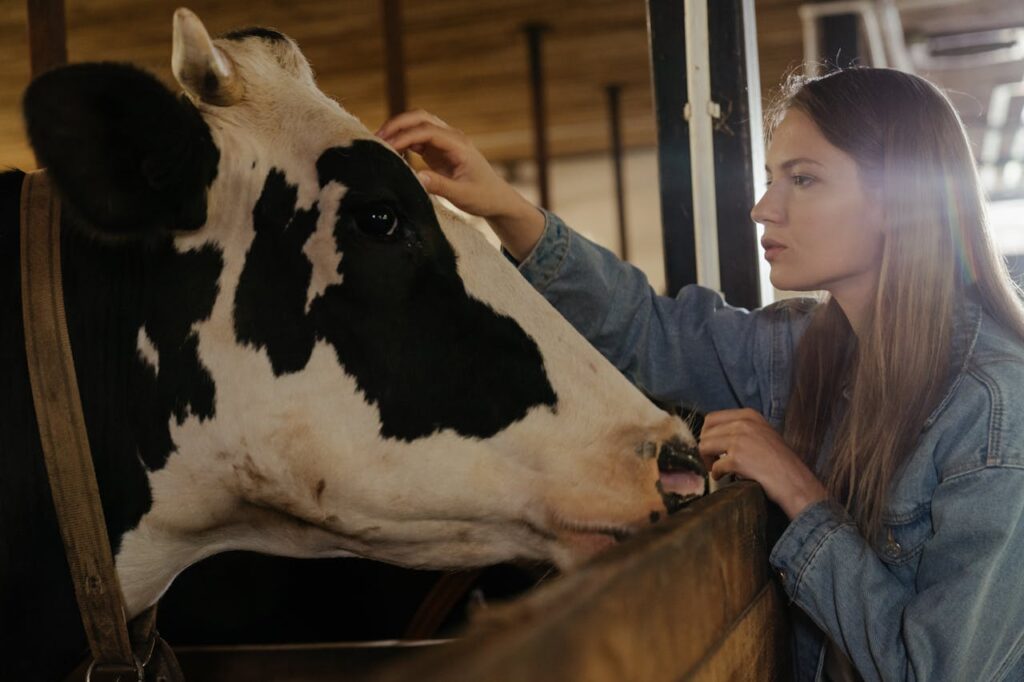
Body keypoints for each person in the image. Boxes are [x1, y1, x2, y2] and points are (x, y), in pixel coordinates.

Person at [376, 67, 1024, 681]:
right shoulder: (812, 348)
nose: (763, 207)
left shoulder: (994, 409)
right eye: (772, 176)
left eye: (803, 179)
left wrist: (800, 493)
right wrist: (507, 210)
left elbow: (935, 671)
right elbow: (649, 333)